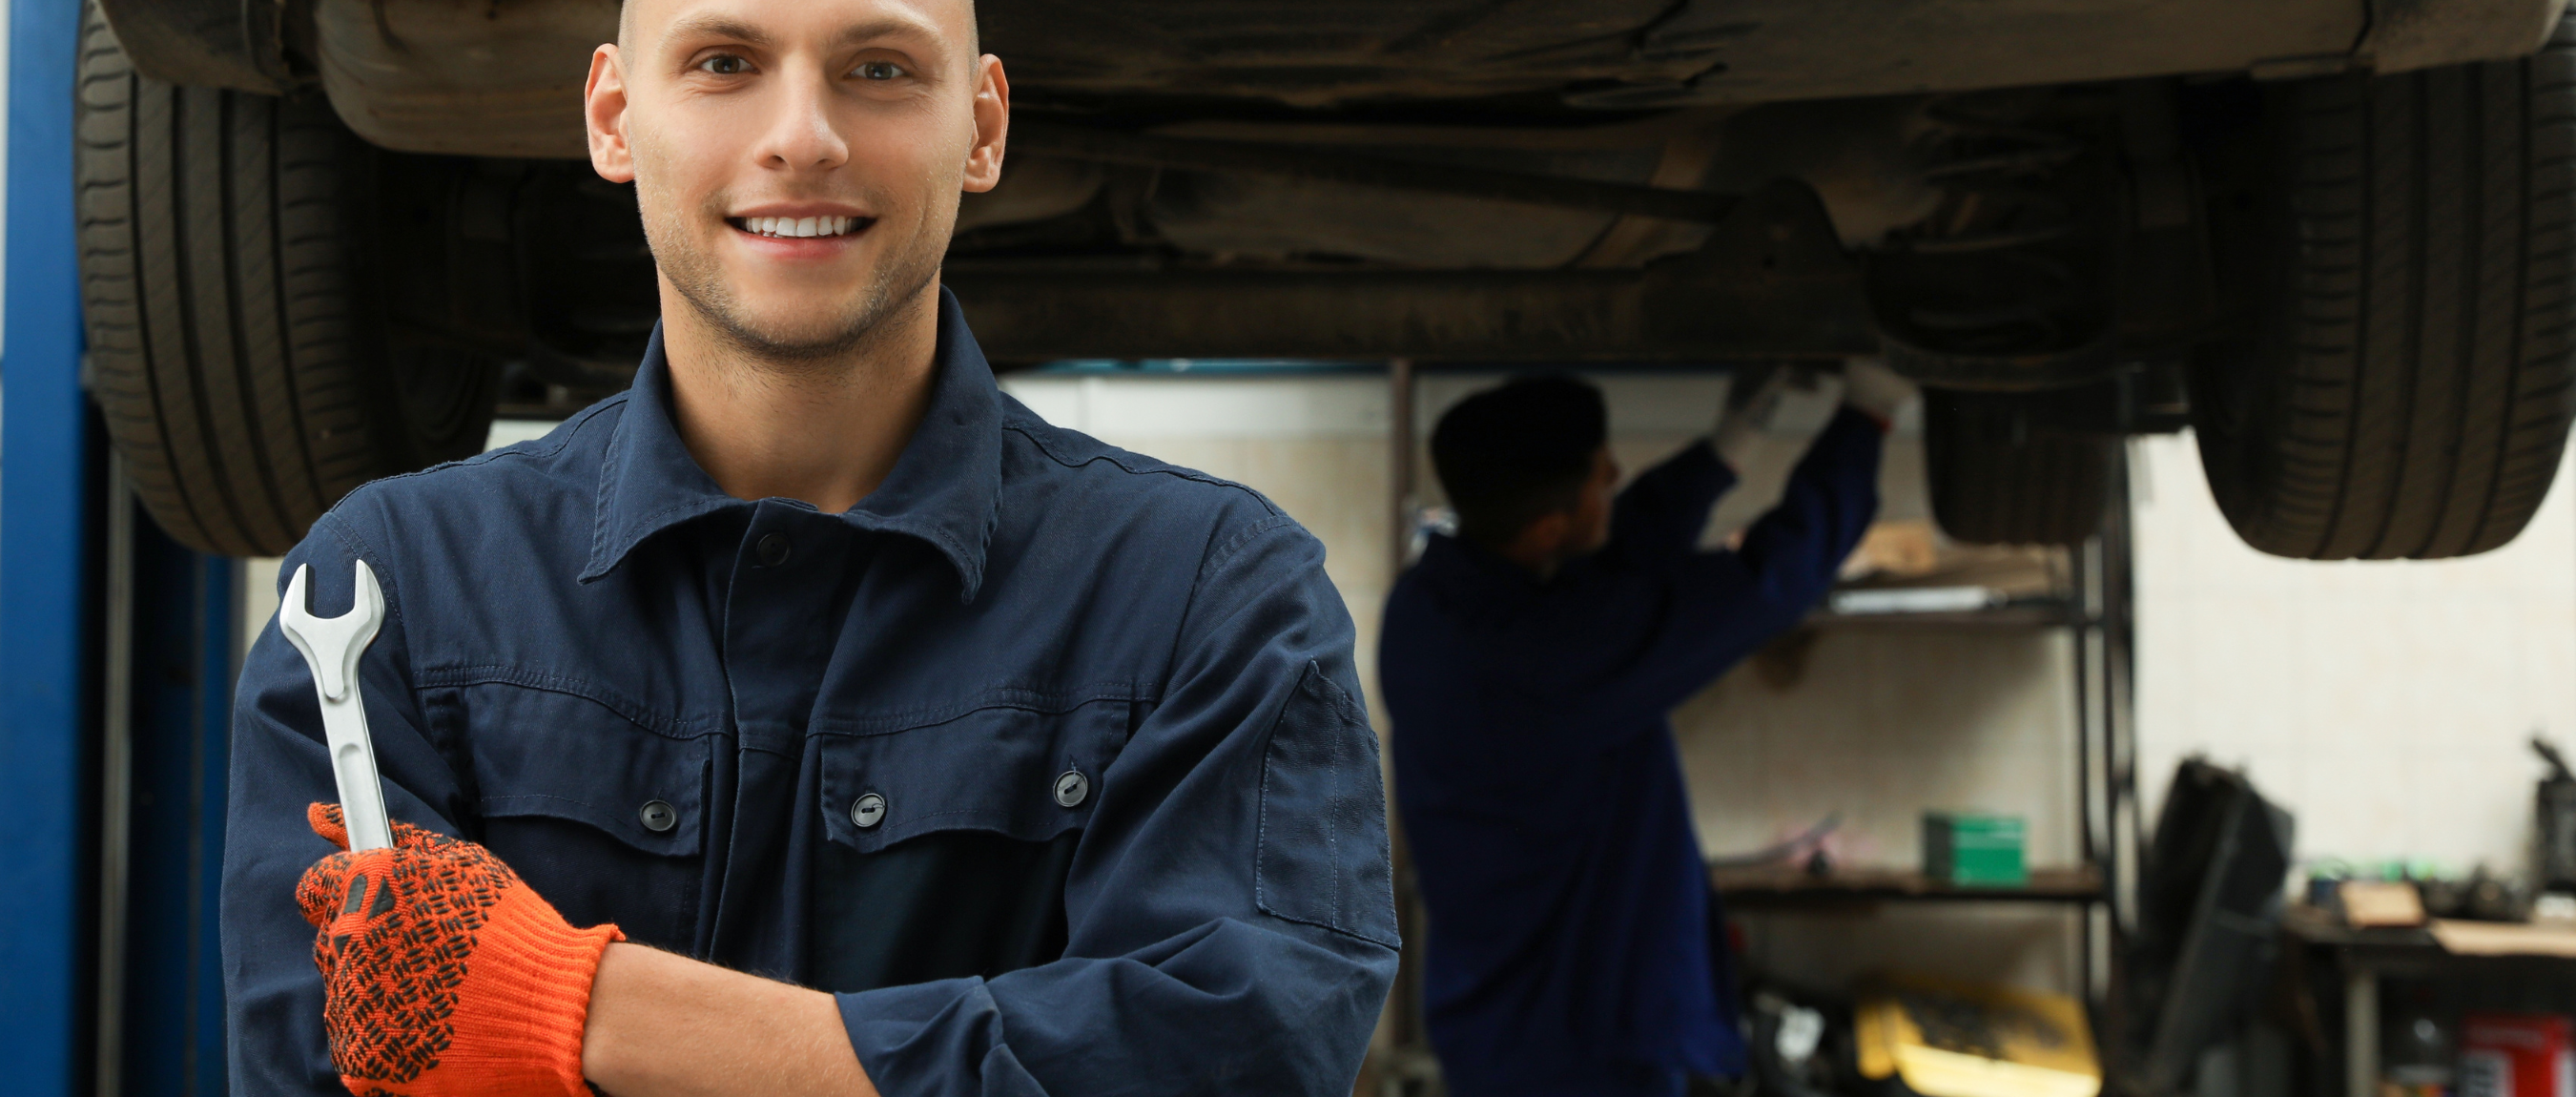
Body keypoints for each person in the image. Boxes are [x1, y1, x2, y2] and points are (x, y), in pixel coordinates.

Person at [217, 0, 1399, 1094]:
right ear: (615, 117)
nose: (803, 136)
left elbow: (1235, 1055)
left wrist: (589, 1008)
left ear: (981, 129)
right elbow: (323, 1063)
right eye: (724, 63)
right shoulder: (396, 589)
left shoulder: (1206, 594)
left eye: (878, 70)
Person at [1377, 363, 1914, 1097]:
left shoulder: (1433, 603)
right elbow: (1768, 580)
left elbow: (1612, 554)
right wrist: (1869, 411)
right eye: (1604, 475)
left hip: (1497, 1016)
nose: (1617, 476)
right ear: (1546, 525)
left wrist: (1728, 445)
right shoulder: (1553, 656)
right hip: (1578, 1037)